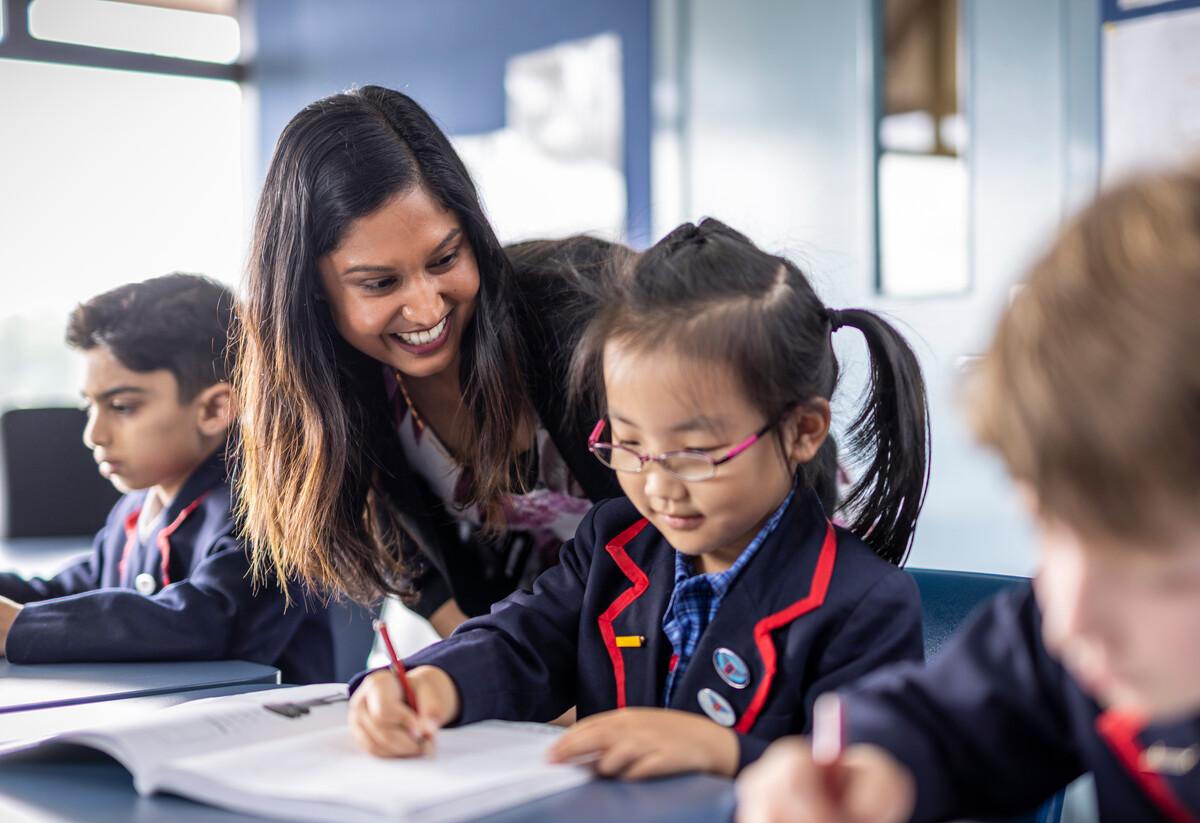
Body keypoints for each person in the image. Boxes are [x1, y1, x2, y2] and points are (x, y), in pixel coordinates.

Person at [736, 165, 1200, 823]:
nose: (1069, 618)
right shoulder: (1079, 645)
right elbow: (942, 722)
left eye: (1159, 574)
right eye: (1049, 527)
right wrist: (869, 773)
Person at [348, 218, 930, 779]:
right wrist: (434, 683)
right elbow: (520, 643)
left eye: (695, 452)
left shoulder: (863, 605)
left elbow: (872, 779)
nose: (656, 484)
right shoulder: (613, 543)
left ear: (803, 431)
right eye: (627, 444)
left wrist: (728, 755)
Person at [232, 86, 635, 639]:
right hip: (539, 671)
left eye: (445, 258)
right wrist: (485, 672)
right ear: (313, 290)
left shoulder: (585, 317)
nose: (425, 307)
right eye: (379, 282)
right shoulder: (337, 393)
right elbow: (422, 575)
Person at [0, 274, 333, 684]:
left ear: (214, 409)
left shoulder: (267, 511)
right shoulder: (137, 509)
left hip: (264, 734)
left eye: (121, 407)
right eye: (91, 407)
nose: (93, 434)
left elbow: (208, 621)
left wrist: (19, 627)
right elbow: (70, 592)